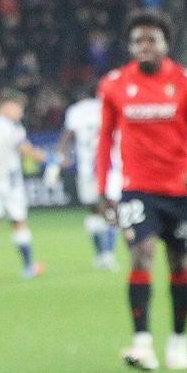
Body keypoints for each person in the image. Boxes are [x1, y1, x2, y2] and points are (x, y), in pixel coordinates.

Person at [96, 13, 187, 371]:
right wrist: (103, 189)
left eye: (151, 40)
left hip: (180, 191)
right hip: (137, 189)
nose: (144, 46)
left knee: (179, 262)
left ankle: (178, 342)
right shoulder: (114, 84)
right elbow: (104, 140)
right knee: (142, 254)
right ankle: (142, 344)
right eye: (138, 41)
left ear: (166, 44)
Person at [0, 90, 46, 283]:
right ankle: (28, 267)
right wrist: (44, 157)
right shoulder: (12, 127)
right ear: (6, 106)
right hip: (11, 184)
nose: (20, 113)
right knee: (19, 222)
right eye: (19, 108)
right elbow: (25, 149)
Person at [55, 91, 119, 268]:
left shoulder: (76, 111)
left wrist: (61, 155)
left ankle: (100, 256)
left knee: (94, 211)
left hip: (86, 169)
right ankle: (109, 254)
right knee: (111, 208)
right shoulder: (109, 107)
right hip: (109, 168)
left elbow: (67, 136)